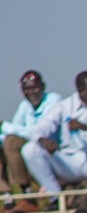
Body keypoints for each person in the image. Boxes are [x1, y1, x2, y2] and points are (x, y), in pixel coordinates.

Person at [21, 71, 87, 201]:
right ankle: (56, 198)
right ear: (82, 91)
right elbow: (36, 130)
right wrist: (43, 140)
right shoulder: (64, 107)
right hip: (70, 162)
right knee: (29, 149)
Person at [1, 71, 62, 204]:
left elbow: (38, 132)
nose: (31, 92)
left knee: (15, 143)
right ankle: (12, 192)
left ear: (43, 87)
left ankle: (26, 190)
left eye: (34, 88)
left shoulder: (54, 100)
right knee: (7, 142)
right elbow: (16, 129)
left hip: (53, 150)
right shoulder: (25, 106)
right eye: (27, 89)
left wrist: (5, 126)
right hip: (32, 147)